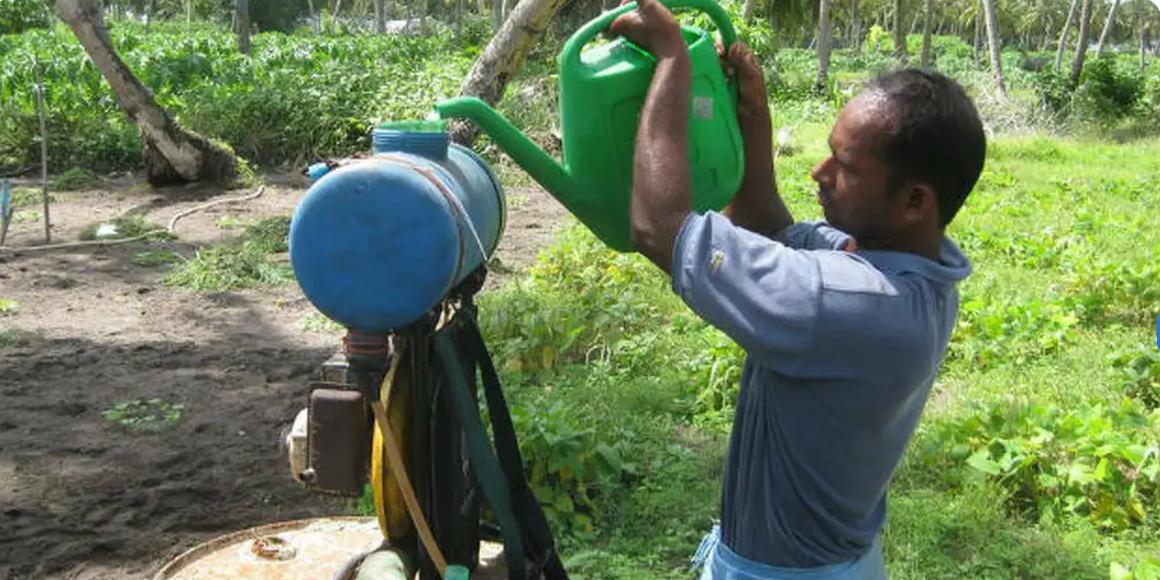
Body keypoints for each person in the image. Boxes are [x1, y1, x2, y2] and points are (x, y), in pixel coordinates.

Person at [608, 0, 986, 578]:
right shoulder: (917, 269)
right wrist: (753, 115)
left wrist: (672, 64)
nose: (818, 172)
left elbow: (660, 228)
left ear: (915, 200)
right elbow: (768, 227)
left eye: (844, 164)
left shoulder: (849, 302)